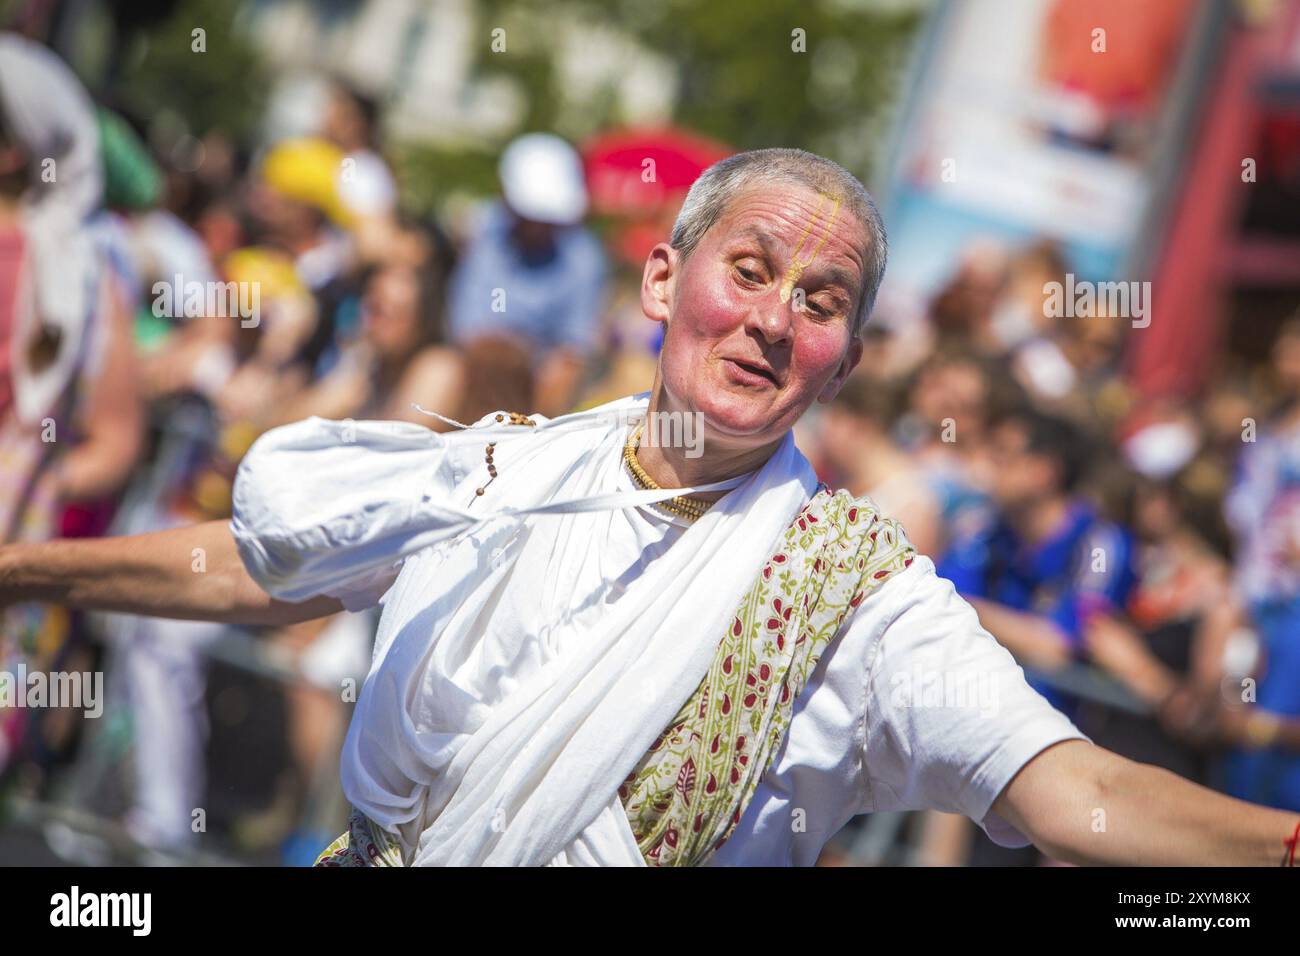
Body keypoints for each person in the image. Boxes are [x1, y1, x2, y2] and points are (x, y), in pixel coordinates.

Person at [3, 148, 1299, 867]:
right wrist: (21, 572)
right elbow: (249, 565)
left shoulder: (855, 599)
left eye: (822, 301)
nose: (775, 320)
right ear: (665, 281)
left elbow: (1081, 795)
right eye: (750, 270)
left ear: (844, 360)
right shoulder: (507, 466)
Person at [447, 133, 607, 418]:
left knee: (559, 374)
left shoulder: (584, 257)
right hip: (481, 366)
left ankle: (532, 446)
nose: (539, 227)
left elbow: (574, 346)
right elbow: (467, 328)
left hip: (541, 373)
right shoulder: (485, 232)